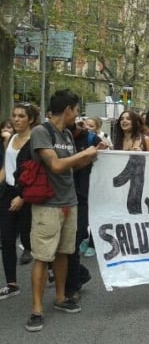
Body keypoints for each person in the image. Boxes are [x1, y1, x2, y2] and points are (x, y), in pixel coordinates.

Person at [24, 89, 102, 332]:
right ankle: (36, 310)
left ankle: (60, 298)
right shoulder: (41, 132)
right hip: (48, 205)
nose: (78, 115)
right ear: (68, 109)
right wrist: (84, 153)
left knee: (63, 253)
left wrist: (93, 155)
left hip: (69, 203)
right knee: (42, 256)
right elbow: (56, 165)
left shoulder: (67, 134)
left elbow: (73, 166)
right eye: (77, 110)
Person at [0, 103, 39, 300]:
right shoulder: (11, 138)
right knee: (6, 239)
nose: (16, 119)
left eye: (21, 116)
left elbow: (36, 173)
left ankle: (48, 267)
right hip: (8, 192)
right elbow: (6, 167)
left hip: (26, 193)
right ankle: (12, 284)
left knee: (28, 240)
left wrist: (22, 197)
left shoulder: (35, 141)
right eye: (14, 115)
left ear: (30, 119)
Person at [64, 119, 102, 303]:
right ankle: (80, 274)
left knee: (74, 240)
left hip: (82, 196)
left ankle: (72, 286)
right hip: (58, 196)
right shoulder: (49, 137)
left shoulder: (90, 139)